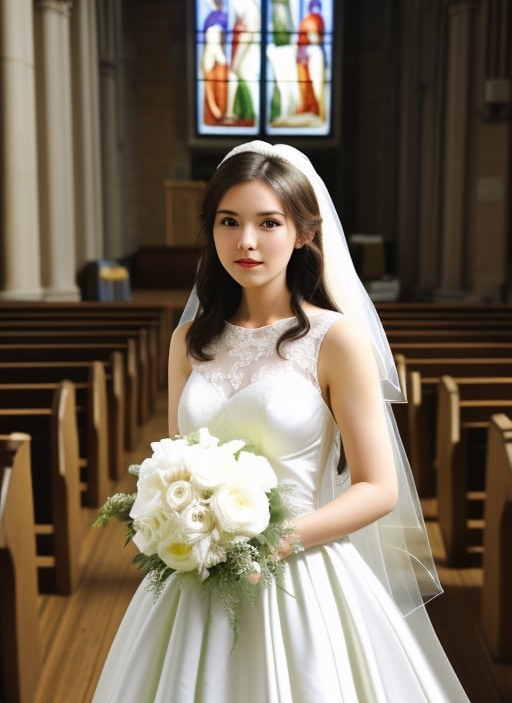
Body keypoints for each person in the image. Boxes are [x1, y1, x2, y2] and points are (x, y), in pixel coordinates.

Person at [93, 141, 470, 702]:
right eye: (229, 221)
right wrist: (177, 518)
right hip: (195, 573)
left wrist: (269, 545)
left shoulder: (335, 340)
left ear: (303, 233)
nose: (246, 241)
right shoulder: (188, 342)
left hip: (299, 574)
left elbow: (378, 487)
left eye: (268, 222)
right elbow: (173, 458)